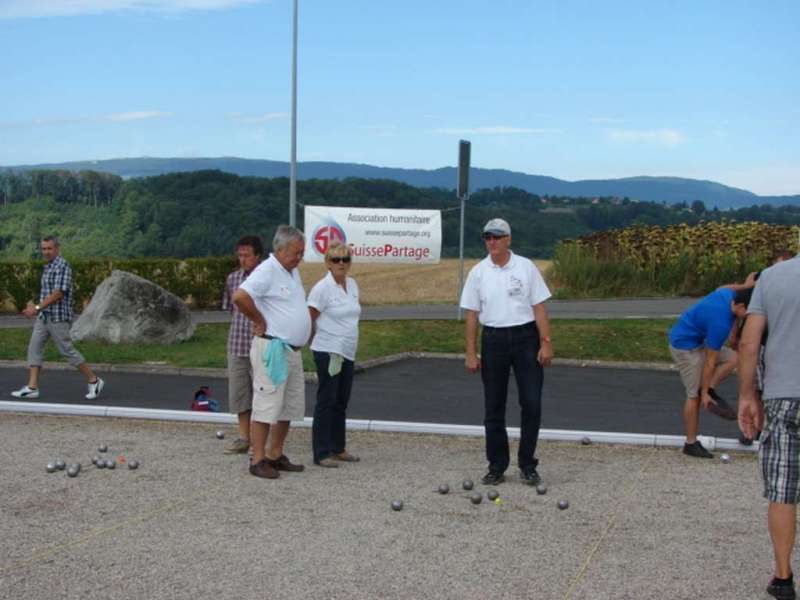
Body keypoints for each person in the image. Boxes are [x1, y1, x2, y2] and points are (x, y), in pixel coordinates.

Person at [460, 218, 554, 486]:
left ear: (508, 239)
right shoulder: (478, 272)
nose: (492, 242)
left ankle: (527, 464)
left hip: (526, 338)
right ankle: (497, 465)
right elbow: (472, 314)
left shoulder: (525, 267)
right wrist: (470, 351)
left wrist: (545, 341)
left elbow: (539, 308)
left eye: (497, 237)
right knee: (494, 407)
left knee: (532, 403)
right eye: (488, 237)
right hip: (493, 339)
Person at [738, 252, 800, 600]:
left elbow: (748, 344)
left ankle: (783, 577)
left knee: (782, 490)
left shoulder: (772, 278)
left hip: (783, 394)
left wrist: (748, 395)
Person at [233, 225, 310, 479]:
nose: (299, 257)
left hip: (292, 350)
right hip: (272, 348)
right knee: (266, 406)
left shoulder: (292, 271)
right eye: (296, 253)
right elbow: (240, 297)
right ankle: (257, 459)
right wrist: (258, 319)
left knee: (288, 407)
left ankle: (275, 454)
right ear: (280, 249)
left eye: (301, 252)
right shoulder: (267, 270)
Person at [10, 236, 104, 401]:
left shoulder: (62, 265)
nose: (46, 252)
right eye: (44, 249)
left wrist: (37, 308)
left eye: (49, 248)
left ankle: (94, 380)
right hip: (44, 317)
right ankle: (32, 387)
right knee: (34, 348)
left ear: (57, 249)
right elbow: (48, 292)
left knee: (66, 350)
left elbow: (59, 293)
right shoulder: (49, 266)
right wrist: (38, 310)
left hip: (58, 317)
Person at [668, 287, 752, 458]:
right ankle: (690, 444)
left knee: (733, 358)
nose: (749, 316)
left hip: (697, 339)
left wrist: (735, 334)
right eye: (748, 312)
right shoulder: (720, 324)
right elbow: (710, 362)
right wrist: (703, 391)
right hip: (684, 347)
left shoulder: (728, 295)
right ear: (740, 306)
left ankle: (709, 389)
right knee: (694, 396)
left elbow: (735, 292)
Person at [307, 241, 361, 468]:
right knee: (326, 400)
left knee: (341, 401)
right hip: (328, 350)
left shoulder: (353, 284)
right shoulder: (322, 288)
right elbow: (308, 317)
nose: (341, 264)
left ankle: (338, 447)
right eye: (336, 259)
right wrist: (309, 342)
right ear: (328, 262)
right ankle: (322, 452)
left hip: (347, 351)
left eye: (345, 259)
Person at [220, 235, 264, 454]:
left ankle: (260, 439)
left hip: (261, 344)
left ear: (258, 256)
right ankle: (243, 437)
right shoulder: (233, 279)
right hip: (237, 343)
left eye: (247, 255)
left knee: (262, 394)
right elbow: (230, 308)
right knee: (240, 393)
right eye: (240, 255)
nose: (242, 259)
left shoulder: (266, 278)